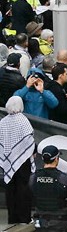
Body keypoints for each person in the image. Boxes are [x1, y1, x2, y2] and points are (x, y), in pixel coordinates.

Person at [0, 96, 35, 224]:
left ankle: (12, 217)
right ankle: (24, 218)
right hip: (23, 159)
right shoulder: (23, 120)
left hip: (8, 159)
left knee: (10, 189)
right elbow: (29, 139)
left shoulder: (3, 122)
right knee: (23, 188)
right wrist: (31, 151)